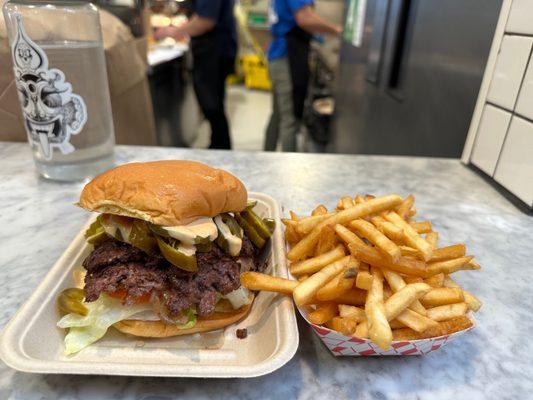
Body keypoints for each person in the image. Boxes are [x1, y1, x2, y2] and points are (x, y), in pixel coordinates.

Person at [155, 0, 236, 149]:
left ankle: (220, 149)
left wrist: (171, 32)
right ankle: (218, 145)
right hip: (214, 51)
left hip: (213, 52)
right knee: (213, 105)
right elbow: (199, 17)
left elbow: (205, 21)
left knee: (212, 105)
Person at [264, 1, 341, 152]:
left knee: (278, 114)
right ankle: (288, 171)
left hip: (277, 56)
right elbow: (304, 18)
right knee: (290, 120)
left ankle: (265, 156)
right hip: (287, 58)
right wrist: (337, 30)